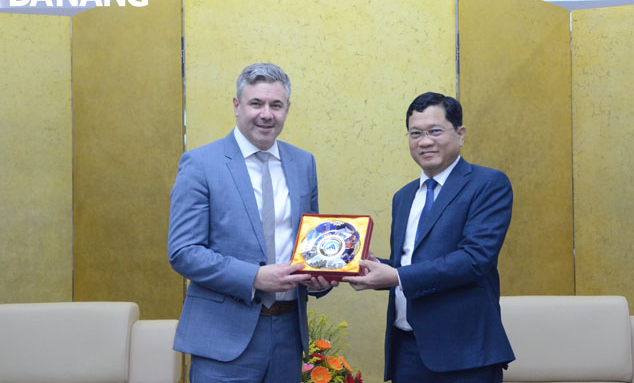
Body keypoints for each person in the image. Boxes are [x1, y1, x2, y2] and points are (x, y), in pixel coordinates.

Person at [168, 63, 335, 383]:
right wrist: (255, 277)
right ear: (236, 105)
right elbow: (183, 251)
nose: (266, 114)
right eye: (256, 103)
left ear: (287, 109)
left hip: (288, 335)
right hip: (223, 339)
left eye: (276, 105)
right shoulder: (201, 164)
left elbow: (310, 241)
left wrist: (319, 275)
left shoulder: (303, 163)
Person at [344, 92, 515, 382]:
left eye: (435, 131)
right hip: (406, 353)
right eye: (416, 133)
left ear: (460, 134)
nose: (424, 141)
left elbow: (474, 259)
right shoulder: (404, 196)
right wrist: (370, 266)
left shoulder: (488, 184)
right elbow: (410, 263)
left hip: (465, 355)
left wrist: (396, 276)